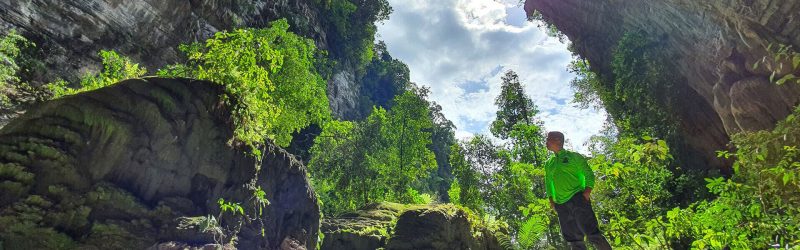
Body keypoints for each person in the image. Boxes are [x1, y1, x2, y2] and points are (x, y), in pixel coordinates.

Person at [544, 131, 612, 250]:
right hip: (561, 205)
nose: (546, 141)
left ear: (558, 140)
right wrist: (551, 200)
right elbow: (548, 182)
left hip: (578, 199)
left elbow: (589, 173)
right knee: (574, 241)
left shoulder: (574, 157)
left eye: (548, 139)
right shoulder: (549, 163)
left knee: (593, 234)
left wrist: (587, 192)